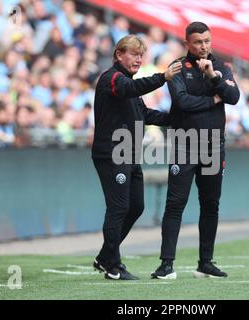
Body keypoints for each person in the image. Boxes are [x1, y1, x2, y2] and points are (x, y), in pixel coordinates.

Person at [151, 22, 240, 279]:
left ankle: (206, 263)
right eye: (198, 42)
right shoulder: (178, 67)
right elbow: (182, 102)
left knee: (210, 204)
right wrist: (213, 99)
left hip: (213, 146)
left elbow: (234, 98)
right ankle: (166, 264)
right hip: (184, 143)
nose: (204, 46)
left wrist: (213, 76)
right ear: (187, 44)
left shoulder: (220, 67)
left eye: (207, 41)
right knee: (175, 203)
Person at [91, 34, 181, 280]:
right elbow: (131, 88)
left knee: (136, 206)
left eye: (141, 55)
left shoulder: (128, 85)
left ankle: (104, 257)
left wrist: (180, 119)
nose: (138, 59)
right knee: (119, 207)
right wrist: (163, 77)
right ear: (119, 54)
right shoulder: (113, 79)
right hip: (111, 153)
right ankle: (113, 266)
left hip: (129, 153)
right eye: (134, 54)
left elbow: (146, 114)